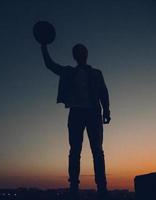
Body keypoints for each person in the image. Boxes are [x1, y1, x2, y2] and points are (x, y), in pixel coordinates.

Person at [40, 43, 111, 199]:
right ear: (75, 56)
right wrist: (43, 46)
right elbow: (50, 65)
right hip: (76, 113)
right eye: (77, 52)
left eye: (82, 52)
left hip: (93, 113)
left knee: (97, 150)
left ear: (86, 54)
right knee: (75, 151)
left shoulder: (96, 73)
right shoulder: (69, 72)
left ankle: (102, 188)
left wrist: (106, 110)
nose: (80, 54)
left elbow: (103, 92)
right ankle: (73, 187)